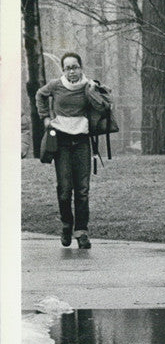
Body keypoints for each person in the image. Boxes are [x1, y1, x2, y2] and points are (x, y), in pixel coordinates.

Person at [35, 52, 111, 249]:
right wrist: (45, 117)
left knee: (83, 190)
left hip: (82, 142)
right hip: (61, 142)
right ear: (63, 70)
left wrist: (93, 92)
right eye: (67, 68)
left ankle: (82, 232)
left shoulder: (88, 86)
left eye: (75, 67)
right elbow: (40, 95)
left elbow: (104, 108)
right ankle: (67, 225)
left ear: (81, 68)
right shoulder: (56, 85)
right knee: (64, 190)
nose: (72, 71)